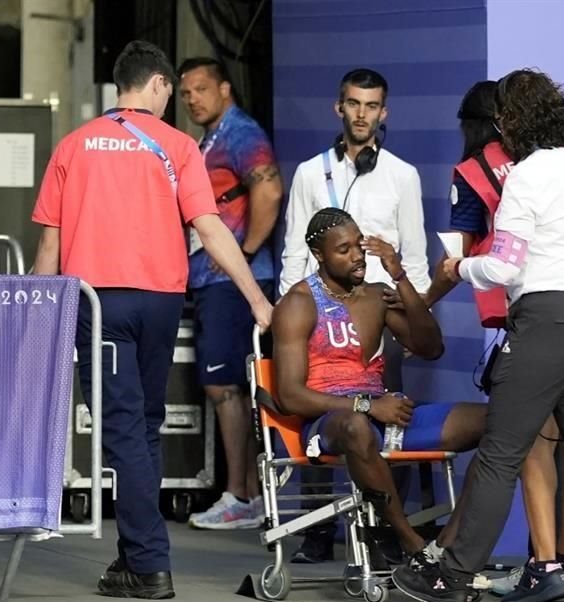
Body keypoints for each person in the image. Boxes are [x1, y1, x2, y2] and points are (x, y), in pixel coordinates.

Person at [391, 69, 564, 602]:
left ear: (511, 122)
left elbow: (505, 266)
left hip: (546, 322)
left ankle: (454, 577)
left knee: (500, 453)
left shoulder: (526, 177)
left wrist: (463, 266)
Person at [30, 40, 273, 599]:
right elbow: (211, 229)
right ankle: (131, 557)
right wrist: (255, 298)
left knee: (121, 430)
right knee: (142, 426)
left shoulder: (73, 145)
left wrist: (42, 322)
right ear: (159, 83)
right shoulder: (181, 146)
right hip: (162, 303)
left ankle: (148, 564)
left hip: (101, 303)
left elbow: (50, 246)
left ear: (122, 84)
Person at [272, 208, 485, 564]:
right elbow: (291, 395)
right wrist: (366, 406)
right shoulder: (298, 303)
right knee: (357, 427)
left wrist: (400, 277)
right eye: (344, 250)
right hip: (331, 422)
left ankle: (445, 545)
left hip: (384, 417)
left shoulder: (376, 295)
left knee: (502, 424)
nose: (357, 257)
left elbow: (431, 348)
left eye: (359, 246)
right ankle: (410, 545)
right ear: (319, 255)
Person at [279, 68, 432, 563]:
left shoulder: (402, 176)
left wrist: (413, 313)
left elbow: (416, 257)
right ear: (338, 108)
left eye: (371, 106)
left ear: (383, 113)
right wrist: (285, 312)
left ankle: (383, 532)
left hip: (382, 317)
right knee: (322, 409)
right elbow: (293, 254)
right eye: (353, 104)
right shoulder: (309, 172)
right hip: (317, 311)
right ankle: (319, 530)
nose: (361, 113)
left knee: (389, 418)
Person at [175, 57, 282, 530]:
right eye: (185, 93)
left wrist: (246, 249)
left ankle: (242, 495)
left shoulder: (241, 133)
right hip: (211, 280)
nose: (192, 99)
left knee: (227, 387)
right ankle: (248, 493)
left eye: (200, 89)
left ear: (224, 89)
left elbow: (270, 191)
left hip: (234, 283)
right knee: (227, 387)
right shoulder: (211, 139)